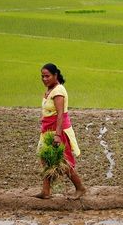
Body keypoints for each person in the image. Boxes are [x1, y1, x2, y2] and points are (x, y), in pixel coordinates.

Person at [36, 63, 86, 200]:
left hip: (58, 130)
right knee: (46, 158)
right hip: (48, 129)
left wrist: (58, 135)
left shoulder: (58, 91)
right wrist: (44, 118)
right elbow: (50, 110)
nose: (44, 79)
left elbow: (60, 115)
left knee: (62, 161)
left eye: (47, 76)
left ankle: (80, 187)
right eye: (42, 76)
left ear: (55, 75)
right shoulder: (49, 90)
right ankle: (46, 191)